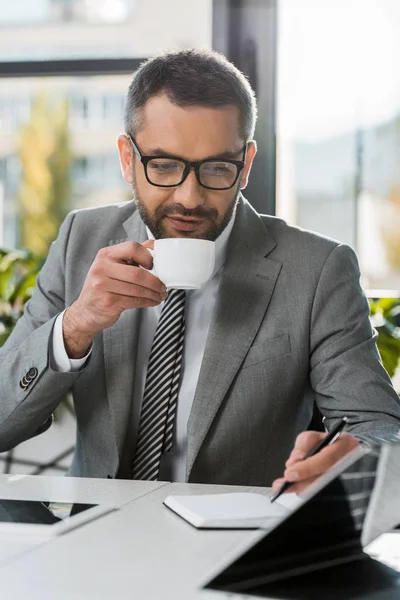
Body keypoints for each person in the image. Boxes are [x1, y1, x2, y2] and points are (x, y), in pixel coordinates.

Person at [0, 49, 399, 492]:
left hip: (242, 548)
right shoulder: (81, 239)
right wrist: (75, 327)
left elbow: (381, 428)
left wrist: (353, 456)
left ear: (245, 166)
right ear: (127, 158)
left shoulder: (318, 270)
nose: (189, 197)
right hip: (92, 540)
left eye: (216, 167)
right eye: (164, 165)